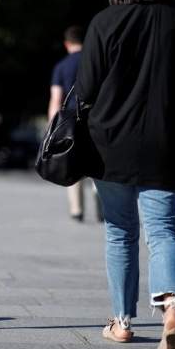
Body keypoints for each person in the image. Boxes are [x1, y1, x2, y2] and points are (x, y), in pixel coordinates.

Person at [74, 0, 175, 349]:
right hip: (167, 144)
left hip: (110, 144)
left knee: (120, 231)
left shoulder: (104, 23)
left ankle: (121, 322)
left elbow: (85, 89)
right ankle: (171, 312)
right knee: (164, 229)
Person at [49, 26, 103, 223]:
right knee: (97, 164)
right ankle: (102, 207)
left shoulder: (61, 66)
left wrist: (52, 127)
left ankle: (77, 210)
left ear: (66, 43)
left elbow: (56, 99)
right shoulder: (95, 62)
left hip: (71, 122)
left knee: (72, 163)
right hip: (95, 118)